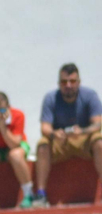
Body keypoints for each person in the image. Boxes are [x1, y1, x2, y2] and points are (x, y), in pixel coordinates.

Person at [33, 64, 102, 206]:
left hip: (83, 140)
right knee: (42, 145)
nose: (68, 85)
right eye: (64, 82)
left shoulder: (90, 95)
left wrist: (82, 131)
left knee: (99, 141)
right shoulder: (51, 98)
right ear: (59, 83)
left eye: (72, 81)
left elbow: (98, 124)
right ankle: (41, 194)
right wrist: (54, 134)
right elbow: (44, 127)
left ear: (79, 82)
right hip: (61, 142)